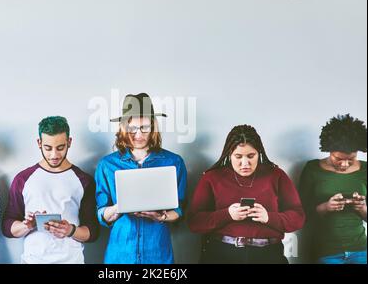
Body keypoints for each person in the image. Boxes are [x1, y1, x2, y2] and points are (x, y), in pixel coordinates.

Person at [188, 125, 305, 264]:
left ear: (259, 153)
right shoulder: (212, 177)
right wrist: (227, 214)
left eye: (251, 156)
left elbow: (298, 218)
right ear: (229, 154)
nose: (245, 163)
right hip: (221, 254)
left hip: (269, 255)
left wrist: (269, 217)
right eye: (238, 156)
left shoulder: (276, 175)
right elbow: (194, 222)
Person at [95, 93, 187, 264]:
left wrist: (163, 217)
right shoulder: (107, 165)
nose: (138, 134)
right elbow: (101, 214)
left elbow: (180, 210)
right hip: (120, 256)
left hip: (158, 255)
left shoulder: (174, 162)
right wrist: (118, 208)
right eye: (132, 128)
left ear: (153, 127)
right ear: (124, 128)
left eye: (144, 127)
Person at [2, 116, 99, 264]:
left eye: (60, 147)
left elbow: (93, 232)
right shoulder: (23, 179)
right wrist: (26, 226)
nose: (54, 155)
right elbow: (7, 227)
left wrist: (71, 230)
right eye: (48, 148)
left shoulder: (83, 180)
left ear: (69, 142)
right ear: (39, 143)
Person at [299, 114, 367, 264]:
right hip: (326, 251)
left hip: (361, 250)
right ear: (329, 149)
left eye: (351, 159)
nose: (344, 164)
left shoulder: (365, 170)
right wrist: (326, 207)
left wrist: (362, 208)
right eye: (338, 159)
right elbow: (300, 214)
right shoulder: (312, 169)